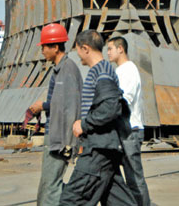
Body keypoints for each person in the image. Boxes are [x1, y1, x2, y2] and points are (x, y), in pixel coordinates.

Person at [60, 30, 135, 206]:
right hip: (105, 149)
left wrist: (84, 124)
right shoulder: (103, 70)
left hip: (98, 149)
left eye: (78, 50)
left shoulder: (102, 73)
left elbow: (111, 107)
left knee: (71, 200)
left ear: (85, 48)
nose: (78, 55)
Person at [29, 23, 83, 206]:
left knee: (51, 186)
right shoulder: (59, 70)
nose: (42, 50)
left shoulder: (68, 70)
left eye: (45, 46)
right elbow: (59, 104)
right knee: (49, 184)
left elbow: (71, 107)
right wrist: (44, 106)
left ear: (56, 47)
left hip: (60, 138)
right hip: (54, 136)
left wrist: (68, 143)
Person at [107, 36, 150, 206]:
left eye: (110, 48)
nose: (108, 52)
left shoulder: (129, 69)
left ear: (120, 49)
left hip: (130, 131)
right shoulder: (118, 71)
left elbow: (125, 99)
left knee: (134, 179)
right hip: (121, 131)